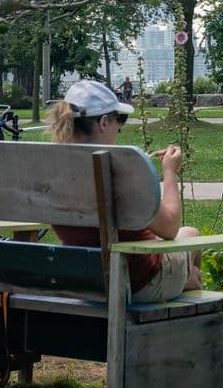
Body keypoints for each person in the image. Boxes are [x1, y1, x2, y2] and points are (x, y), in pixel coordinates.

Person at [46, 79, 198, 303]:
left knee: (188, 271)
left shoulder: (51, 166)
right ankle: (189, 297)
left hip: (84, 279)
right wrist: (170, 172)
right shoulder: (122, 169)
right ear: (104, 122)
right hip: (137, 282)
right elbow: (170, 227)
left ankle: (188, 282)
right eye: (120, 119)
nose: (120, 127)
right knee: (190, 234)